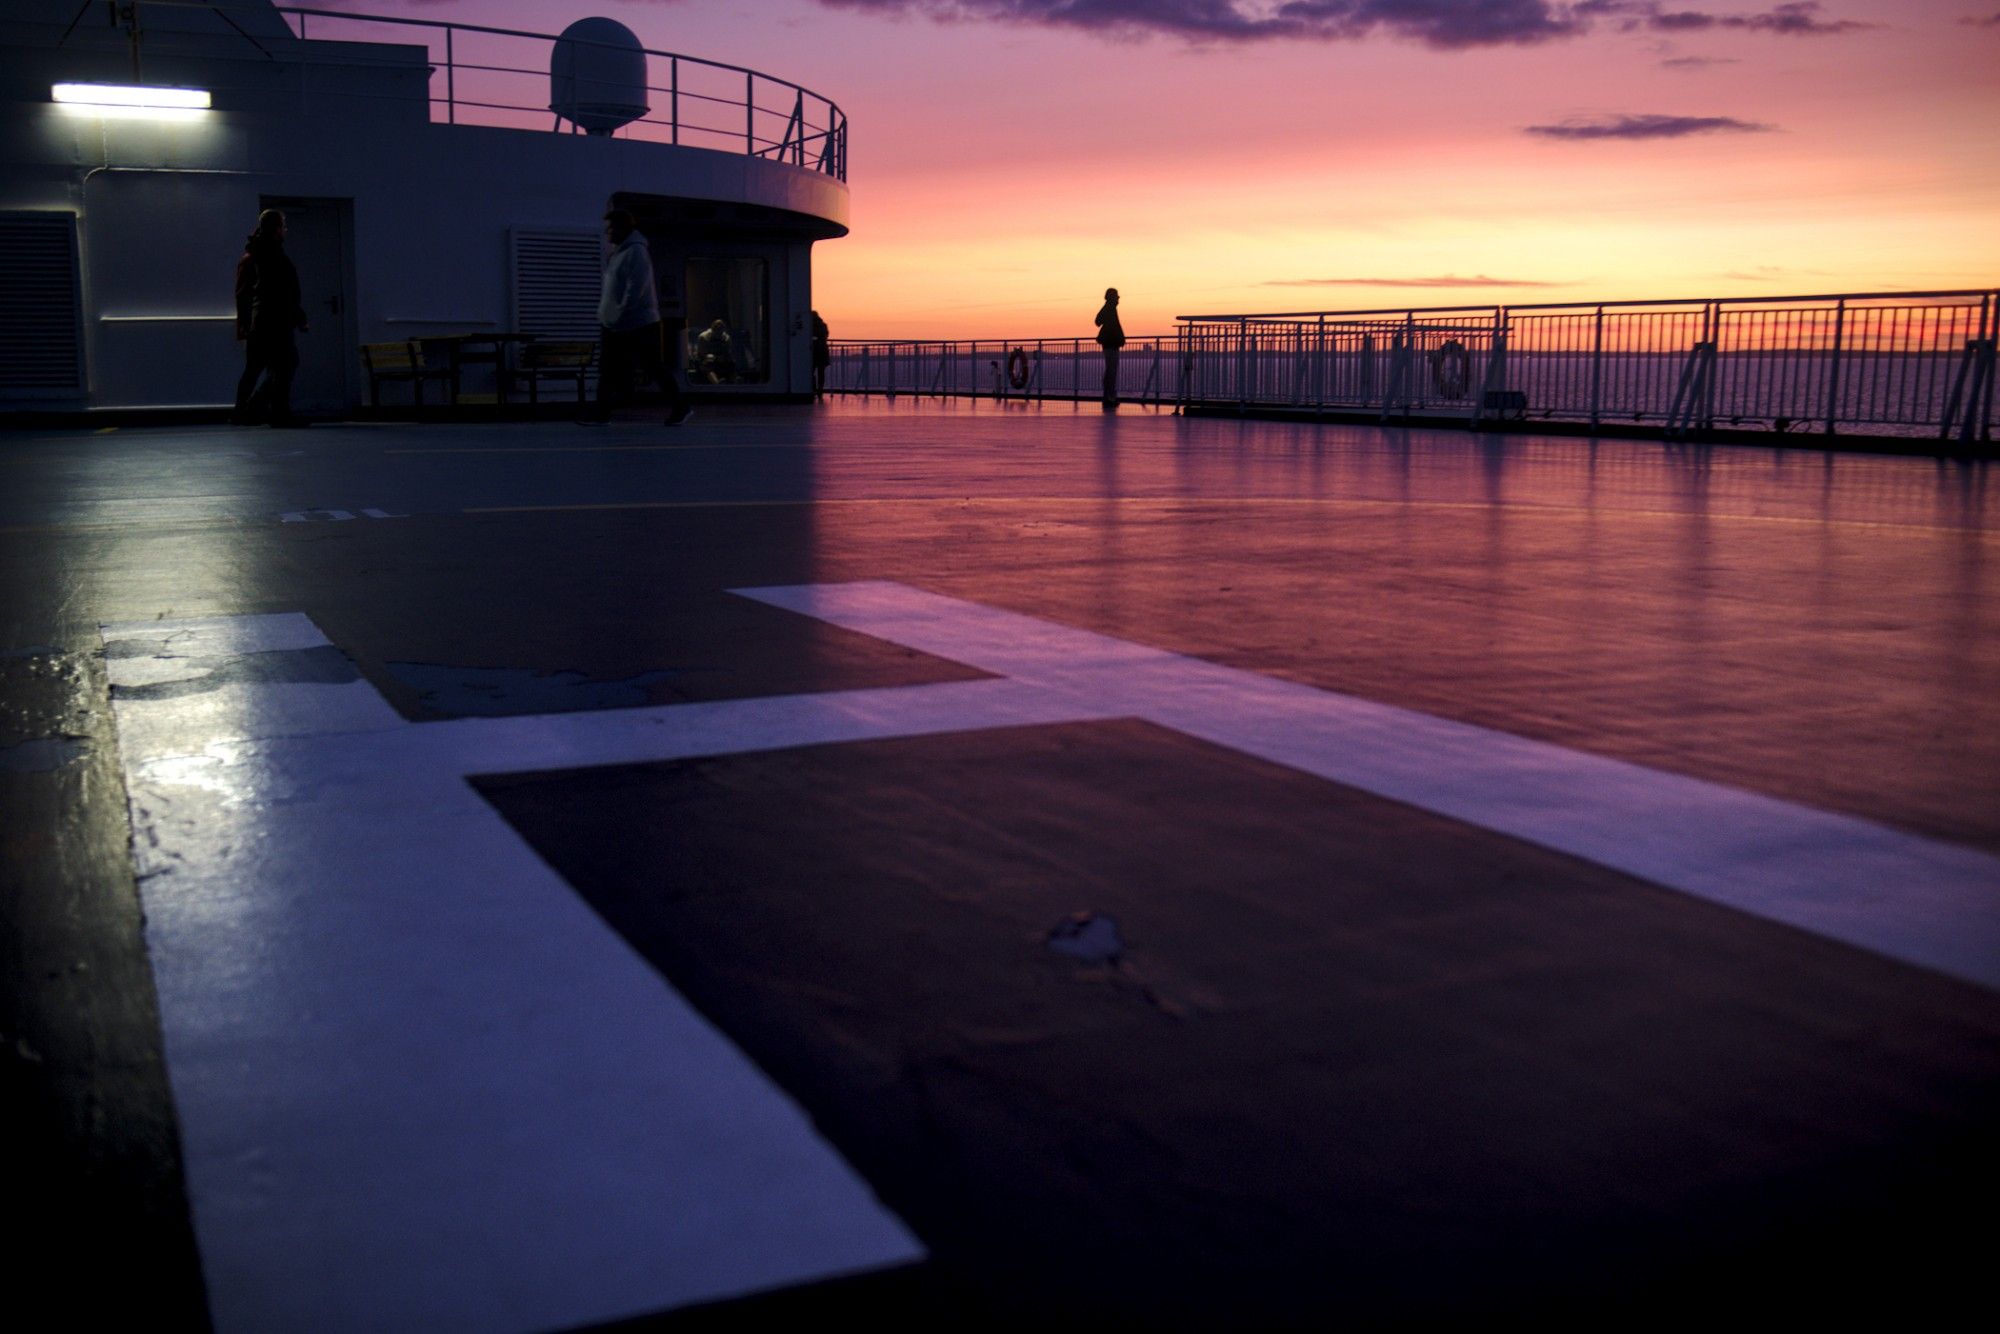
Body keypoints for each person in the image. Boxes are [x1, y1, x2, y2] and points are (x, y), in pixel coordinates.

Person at [594, 209, 691, 425]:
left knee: (650, 366)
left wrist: (616, 313)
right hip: (621, 321)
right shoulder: (620, 252)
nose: (607, 233)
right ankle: (602, 411)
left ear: (621, 228)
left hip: (636, 322)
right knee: (612, 366)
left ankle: (679, 405)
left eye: (610, 228)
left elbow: (635, 288)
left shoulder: (635, 252)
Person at [233, 209, 309, 427]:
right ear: (277, 229)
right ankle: (271, 411)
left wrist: (245, 324)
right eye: (283, 226)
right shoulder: (271, 255)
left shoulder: (257, 254)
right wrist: (299, 316)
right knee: (285, 364)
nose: (285, 230)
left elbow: (246, 293)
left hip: (263, 320)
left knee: (256, 367)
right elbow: (282, 291)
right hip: (275, 320)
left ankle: (245, 410)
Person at [1094, 286, 1125, 410]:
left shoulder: (1110, 307)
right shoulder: (1109, 308)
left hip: (1111, 343)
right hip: (1111, 344)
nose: (1118, 298)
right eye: (1117, 296)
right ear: (1113, 297)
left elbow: (1099, 321)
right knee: (1111, 371)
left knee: (1110, 370)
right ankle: (1109, 397)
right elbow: (1099, 321)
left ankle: (1109, 396)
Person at [696, 319, 736, 383]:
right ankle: (717, 383)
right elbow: (701, 353)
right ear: (713, 330)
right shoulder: (703, 337)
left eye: (720, 333)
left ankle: (732, 383)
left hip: (722, 359)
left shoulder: (726, 338)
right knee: (708, 365)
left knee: (732, 364)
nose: (719, 335)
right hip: (707, 359)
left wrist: (724, 357)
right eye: (717, 333)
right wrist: (714, 357)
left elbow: (729, 351)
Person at [810, 310, 830, 399]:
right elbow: (825, 336)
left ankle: (813, 388)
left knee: (810, 371)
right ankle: (820, 390)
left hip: (813, 351)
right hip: (823, 350)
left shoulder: (811, 325)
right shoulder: (823, 325)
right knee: (821, 372)